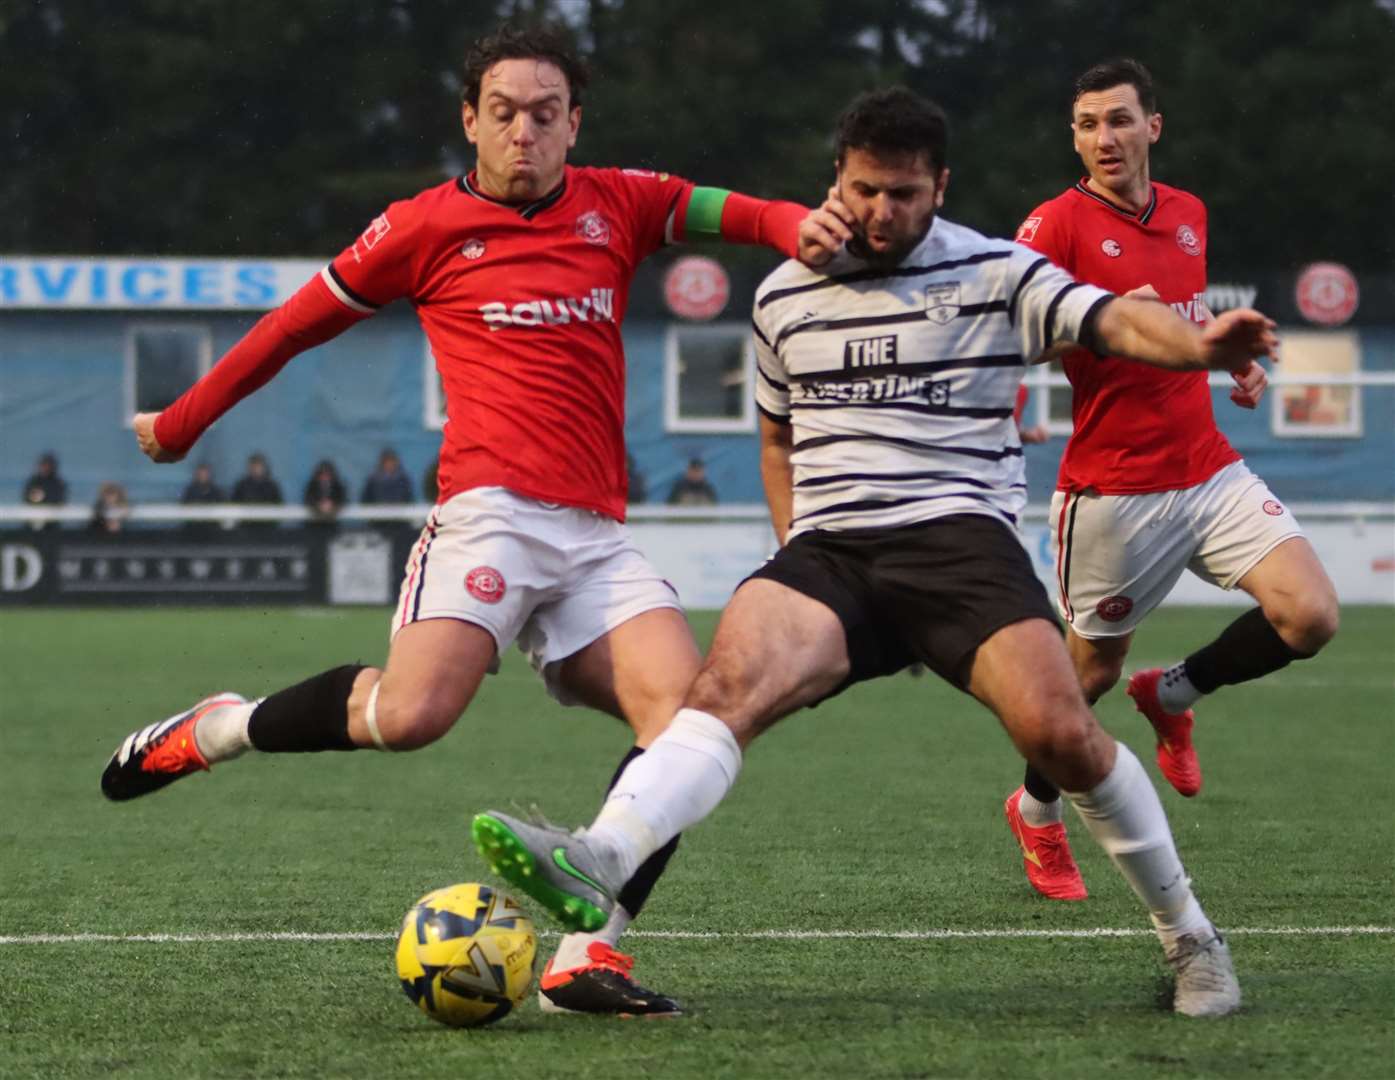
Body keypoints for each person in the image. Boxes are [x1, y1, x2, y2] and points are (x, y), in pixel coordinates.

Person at [471, 86, 1280, 1018]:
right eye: (863, 190)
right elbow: (775, 439)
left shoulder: (998, 270)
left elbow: (1113, 321)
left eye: (902, 193)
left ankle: (1192, 941)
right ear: (836, 181)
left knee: (1060, 734)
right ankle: (601, 860)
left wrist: (1197, 345)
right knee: (720, 695)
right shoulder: (783, 293)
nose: (880, 212)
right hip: (833, 552)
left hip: (958, 542)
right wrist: (795, 546)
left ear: (939, 186)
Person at [101, 23, 816, 1018]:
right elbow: (288, 328)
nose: (526, 130)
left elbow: (748, 213)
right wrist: (180, 425)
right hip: (487, 517)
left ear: (576, 123)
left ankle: (585, 962)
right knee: (411, 717)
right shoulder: (419, 228)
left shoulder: (623, 204)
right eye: (505, 112)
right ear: (469, 119)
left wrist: (801, 228)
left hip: (597, 538)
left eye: (547, 113)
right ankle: (221, 728)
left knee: (689, 721)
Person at [1000, 59, 1339, 903]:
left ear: (1153, 125)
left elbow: (1187, 326)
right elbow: (1001, 331)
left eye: (1117, 119)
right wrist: (1105, 320)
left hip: (1206, 466)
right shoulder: (1051, 226)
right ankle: (1035, 809)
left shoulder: (1187, 213)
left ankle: (1175, 690)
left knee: (1310, 616)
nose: (1102, 138)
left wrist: (1231, 362)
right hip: (1114, 492)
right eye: (1085, 124)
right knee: (1083, 683)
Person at [22, 452, 67, 529]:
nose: (46, 467)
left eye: (48, 465)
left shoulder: (58, 483)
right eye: (44, 465)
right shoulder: (33, 482)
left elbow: (60, 500)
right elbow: (27, 498)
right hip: (32, 518)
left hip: (52, 521)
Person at [303, 459, 348, 524]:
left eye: (327, 474)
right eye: (322, 474)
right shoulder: (312, 486)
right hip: (314, 524)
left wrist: (333, 506)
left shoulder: (338, 486)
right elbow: (308, 499)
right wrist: (318, 506)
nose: (325, 477)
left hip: (333, 524)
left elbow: (343, 499)